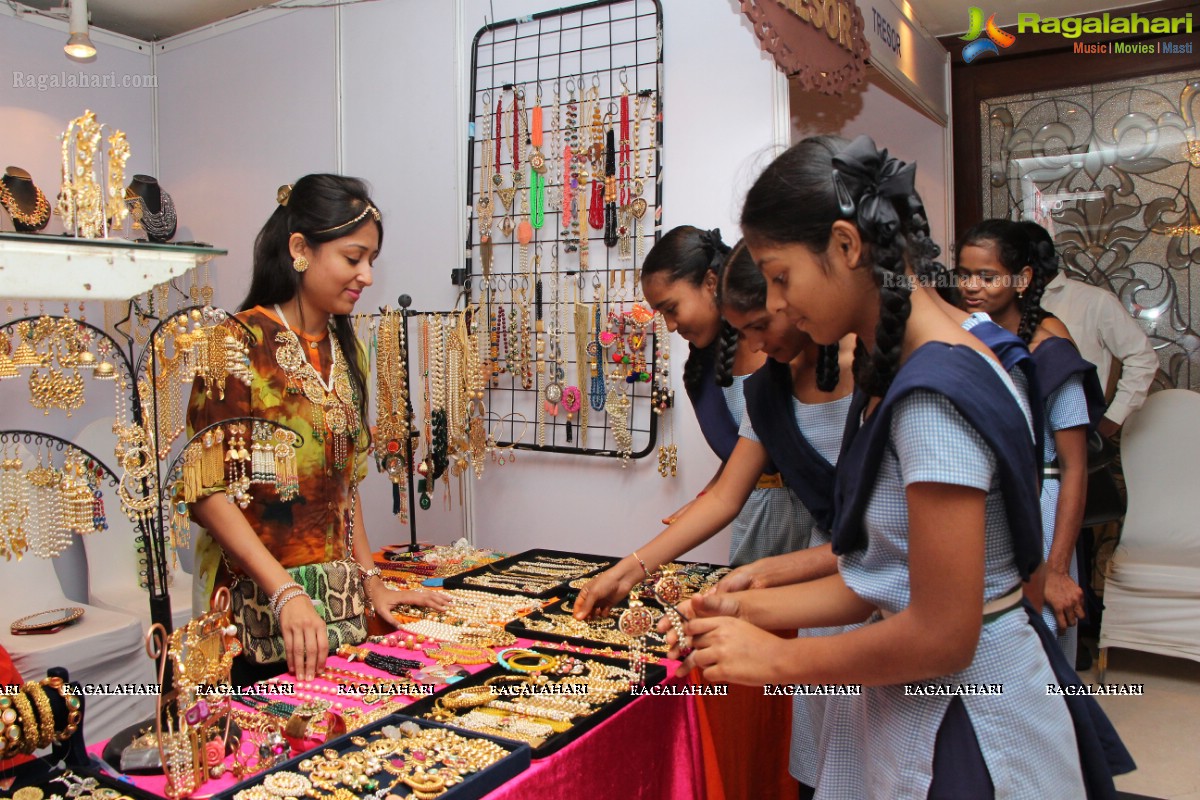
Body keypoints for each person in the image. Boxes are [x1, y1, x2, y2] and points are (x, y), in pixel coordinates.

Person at [668, 135, 1087, 798]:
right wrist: (748, 610)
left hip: (965, 721)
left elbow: (943, 634)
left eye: (781, 277)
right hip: (923, 700)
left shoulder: (931, 399)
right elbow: (880, 576)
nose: (776, 305)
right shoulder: (902, 370)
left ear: (845, 245)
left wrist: (780, 658)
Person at [187, 174, 448, 685]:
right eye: (354, 258)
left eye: (371, 260)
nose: (367, 276)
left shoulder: (347, 351)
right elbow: (206, 493)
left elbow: (344, 491)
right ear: (300, 249)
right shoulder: (234, 342)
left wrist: (373, 584)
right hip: (259, 615)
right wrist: (285, 592)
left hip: (339, 611)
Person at [955, 219, 1105, 662]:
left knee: (1041, 652)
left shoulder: (1051, 352)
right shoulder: (959, 341)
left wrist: (1056, 568)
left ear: (1022, 280)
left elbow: (1073, 467)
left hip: (1041, 505)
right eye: (964, 274)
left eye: (987, 276)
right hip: (979, 504)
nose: (972, 287)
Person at [1032, 220, 1157, 439]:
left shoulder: (1095, 301)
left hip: (1077, 432)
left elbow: (1142, 357)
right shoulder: (1004, 305)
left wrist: (1112, 419)